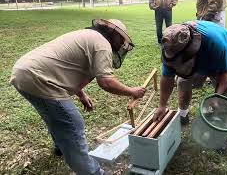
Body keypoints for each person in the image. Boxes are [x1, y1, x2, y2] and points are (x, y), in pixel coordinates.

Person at [10, 19, 146, 174]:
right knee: (72, 124)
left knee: (55, 115)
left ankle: (61, 146)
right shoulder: (102, 44)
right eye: (121, 38)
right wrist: (132, 91)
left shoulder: (89, 36)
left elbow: (69, 67)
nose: (122, 43)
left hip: (24, 72)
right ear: (113, 33)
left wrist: (81, 94)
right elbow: (106, 82)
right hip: (39, 77)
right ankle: (92, 172)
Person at [153, 20, 227, 126]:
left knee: (225, 89)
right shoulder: (171, 47)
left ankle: (220, 122)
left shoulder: (215, 43)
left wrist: (217, 96)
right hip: (201, 57)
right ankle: (183, 114)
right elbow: (167, 78)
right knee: (183, 82)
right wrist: (162, 105)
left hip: (223, 52)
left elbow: (226, 72)